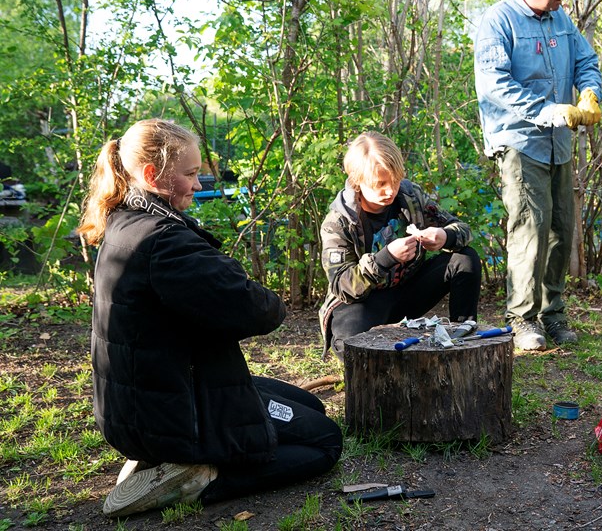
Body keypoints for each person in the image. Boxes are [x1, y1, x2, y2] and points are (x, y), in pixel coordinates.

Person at [77, 119, 342, 518]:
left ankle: (161, 457)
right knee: (324, 440)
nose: (198, 185)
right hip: (172, 413)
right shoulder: (164, 242)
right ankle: (196, 477)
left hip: (143, 403)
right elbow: (258, 310)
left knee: (308, 404)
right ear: (152, 175)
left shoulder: (124, 220)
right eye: (189, 174)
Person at [474, 0, 602, 351]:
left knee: (561, 229)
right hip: (519, 141)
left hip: (558, 142)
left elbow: (587, 61)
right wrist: (549, 110)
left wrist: (589, 93)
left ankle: (554, 314)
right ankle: (522, 319)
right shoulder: (499, 21)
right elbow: (495, 85)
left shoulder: (561, 20)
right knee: (530, 228)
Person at [318, 132, 481, 360]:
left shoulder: (410, 196)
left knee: (465, 258)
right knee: (350, 342)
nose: (390, 190)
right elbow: (341, 285)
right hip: (363, 304)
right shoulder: (339, 221)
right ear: (357, 181)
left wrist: (445, 236)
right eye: (380, 184)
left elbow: (463, 229)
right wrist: (386, 258)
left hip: (407, 291)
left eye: (394, 181)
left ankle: (463, 338)